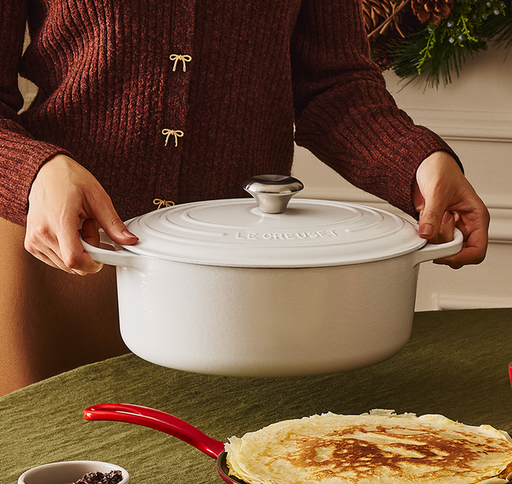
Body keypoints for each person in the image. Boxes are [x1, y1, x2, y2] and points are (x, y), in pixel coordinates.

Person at [0, 0, 489, 394]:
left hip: (239, 292)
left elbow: (333, 86)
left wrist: (418, 163)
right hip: (63, 259)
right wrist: (34, 171)